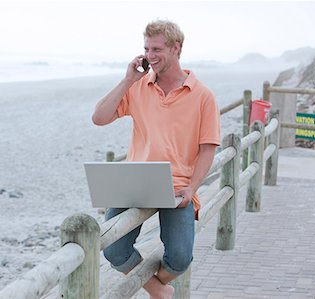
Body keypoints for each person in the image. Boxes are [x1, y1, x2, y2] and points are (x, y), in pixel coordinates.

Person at [92, 20, 220, 298]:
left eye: (157, 49)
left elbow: (208, 148)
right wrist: (128, 79)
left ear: (176, 48)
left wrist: (193, 188)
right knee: (112, 248)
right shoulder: (138, 87)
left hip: (178, 188)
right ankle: (159, 291)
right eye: (147, 49)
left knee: (180, 258)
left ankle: (157, 286)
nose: (150, 55)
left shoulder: (203, 95)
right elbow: (99, 118)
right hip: (134, 182)